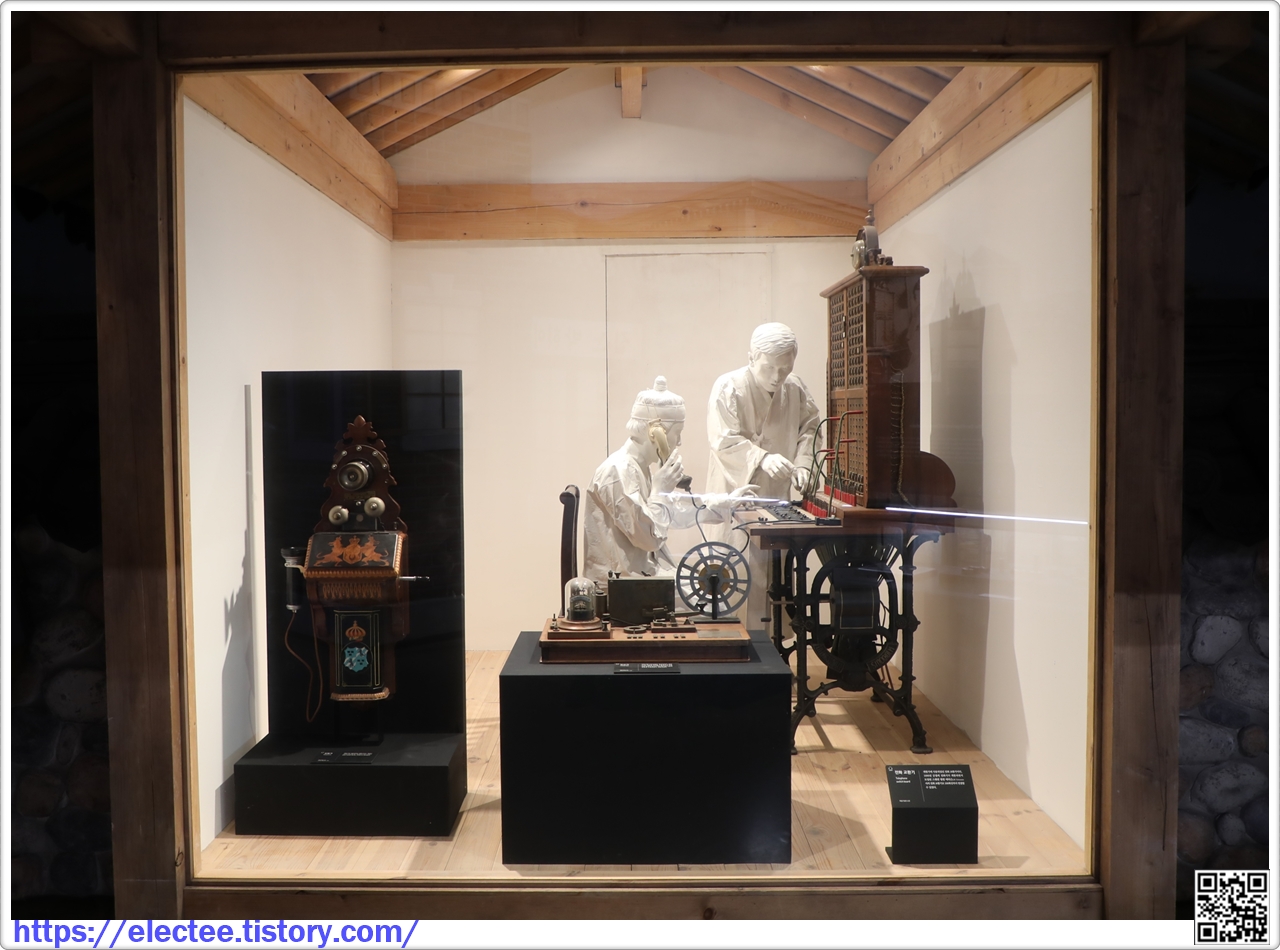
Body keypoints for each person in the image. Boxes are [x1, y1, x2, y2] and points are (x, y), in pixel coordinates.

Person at [705, 323, 822, 629]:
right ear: (751, 358)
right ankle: (734, 645)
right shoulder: (728, 387)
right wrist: (762, 458)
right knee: (735, 576)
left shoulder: (795, 388)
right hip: (736, 495)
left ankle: (772, 646)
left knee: (773, 580)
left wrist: (804, 465)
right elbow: (723, 441)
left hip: (776, 499)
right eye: (769, 368)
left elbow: (810, 429)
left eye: (785, 368)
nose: (776, 377)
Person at [582, 377, 752, 583]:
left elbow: (669, 511)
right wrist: (659, 491)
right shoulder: (617, 472)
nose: (679, 442)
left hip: (641, 577)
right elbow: (649, 538)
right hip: (624, 586)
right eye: (677, 433)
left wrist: (724, 503)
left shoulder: (638, 468)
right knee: (709, 595)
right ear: (656, 433)